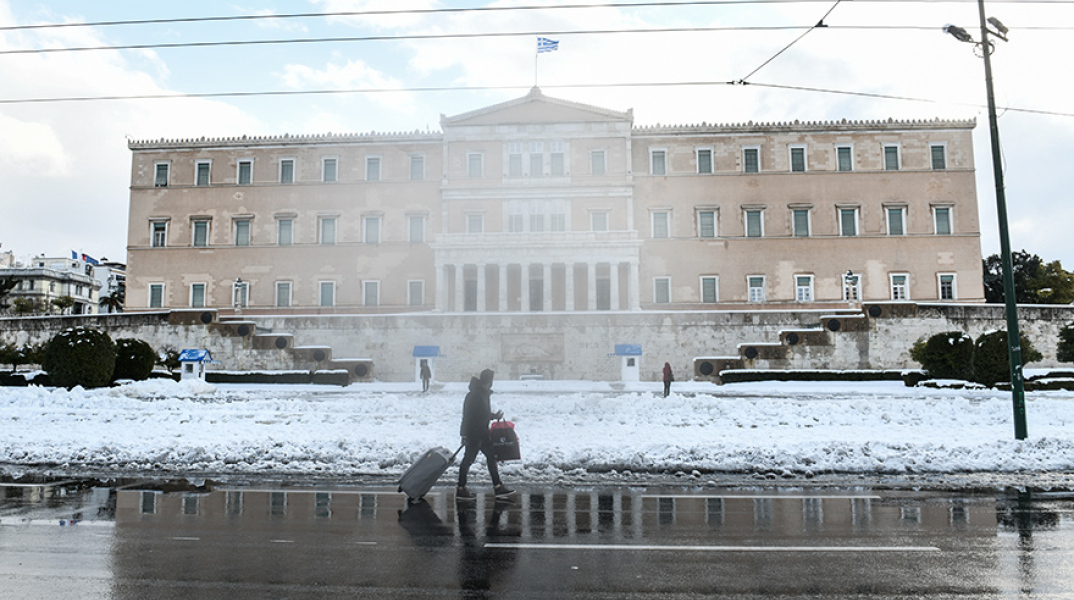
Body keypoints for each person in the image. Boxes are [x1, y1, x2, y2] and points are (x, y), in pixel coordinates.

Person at [457, 369, 514, 500]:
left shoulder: (483, 394)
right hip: (474, 434)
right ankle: (460, 488)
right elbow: (468, 416)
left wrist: (494, 416)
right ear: (489, 381)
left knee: (491, 457)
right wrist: (464, 435)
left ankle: (498, 487)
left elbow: (483, 414)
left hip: (483, 433)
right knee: (468, 460)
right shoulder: (474, 395)